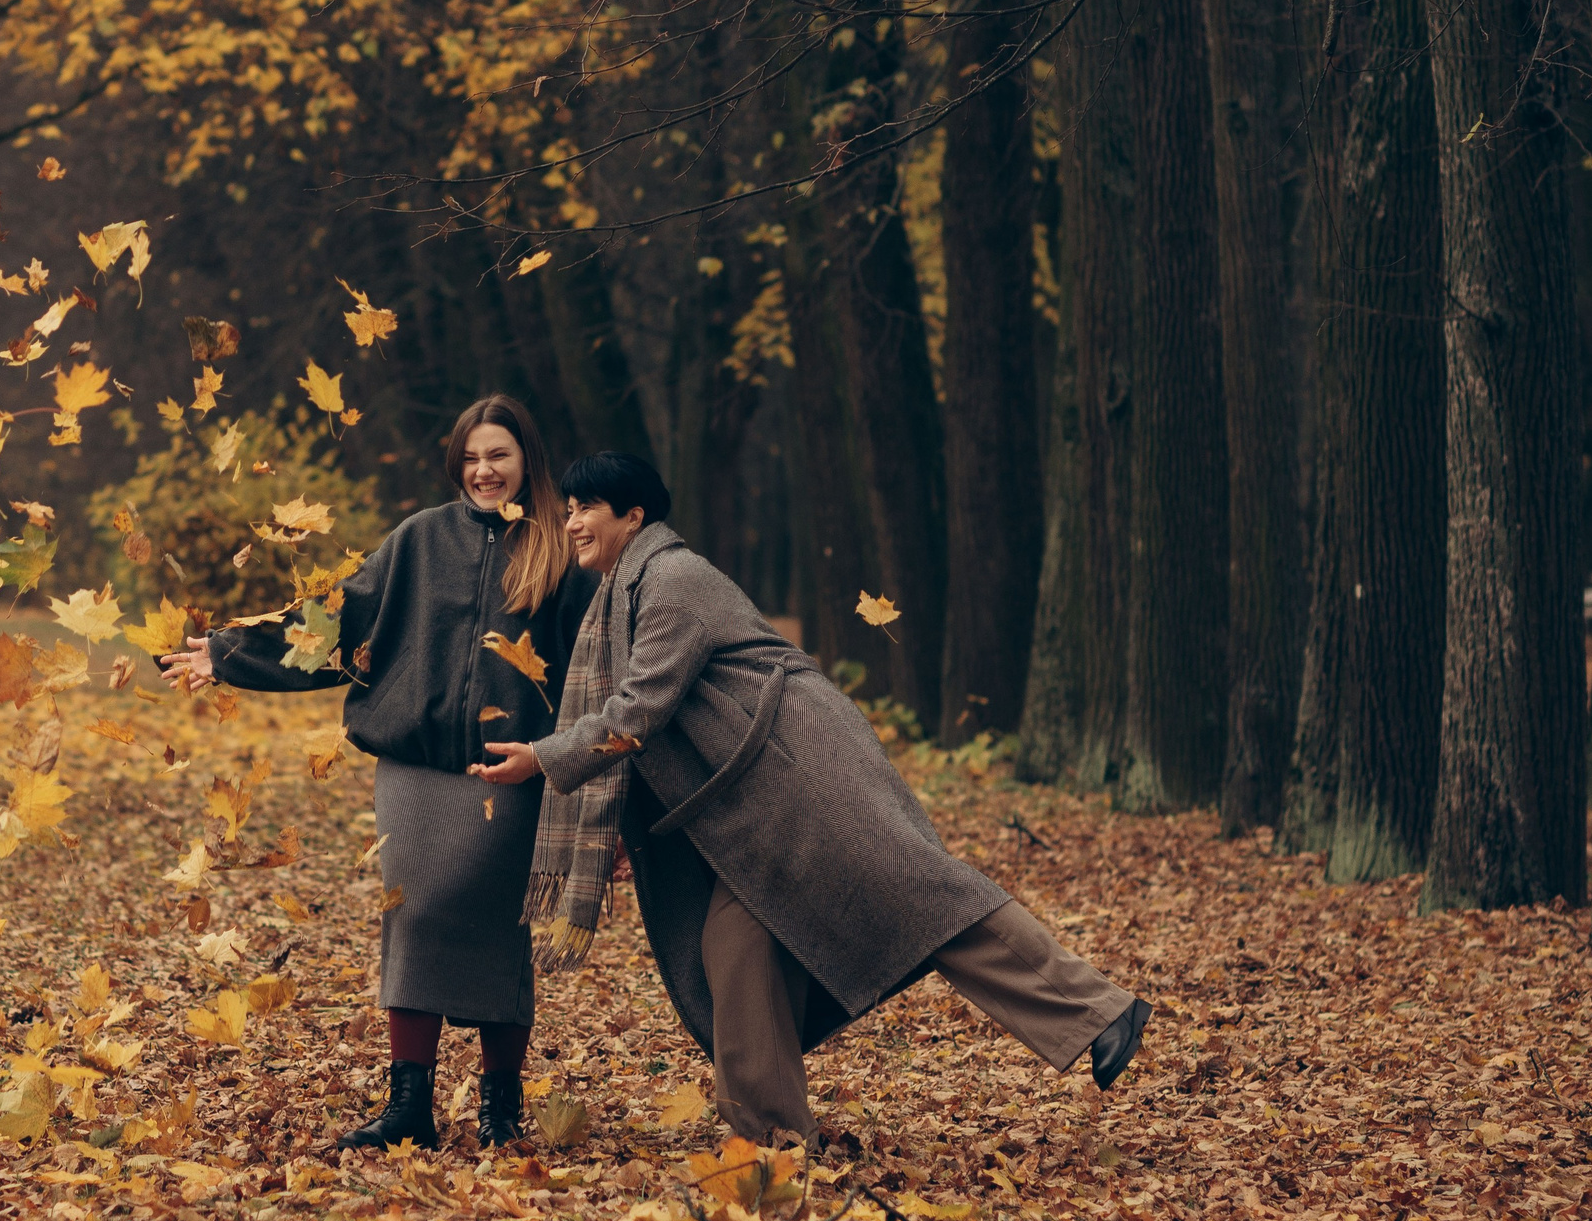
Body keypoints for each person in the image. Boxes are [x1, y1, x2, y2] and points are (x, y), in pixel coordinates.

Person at [472, 451, 1150, 1145]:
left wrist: (543, 757)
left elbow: (640, 710)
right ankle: (773, 1138)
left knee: (932, 897)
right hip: (756, 796)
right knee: (738, 951)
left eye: (587, 508)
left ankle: (1099, 1011)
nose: (573, 522)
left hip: (803, 772)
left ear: (634, 515)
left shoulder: (672, 580)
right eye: (569, 509)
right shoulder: (629, 589)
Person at [162, 397, 596, 1150]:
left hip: (511, 772)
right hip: (414, 769)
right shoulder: (420, 539)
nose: (484, 471)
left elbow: (596, 670)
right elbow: (336, 622)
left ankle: (500, 1107)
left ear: (527, 459)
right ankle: (409, 1105)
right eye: (471, 457)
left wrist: (570, 765)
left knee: (499, 926)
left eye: (498, 455)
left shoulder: (558, 553)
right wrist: (229, 653)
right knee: (413, 914)